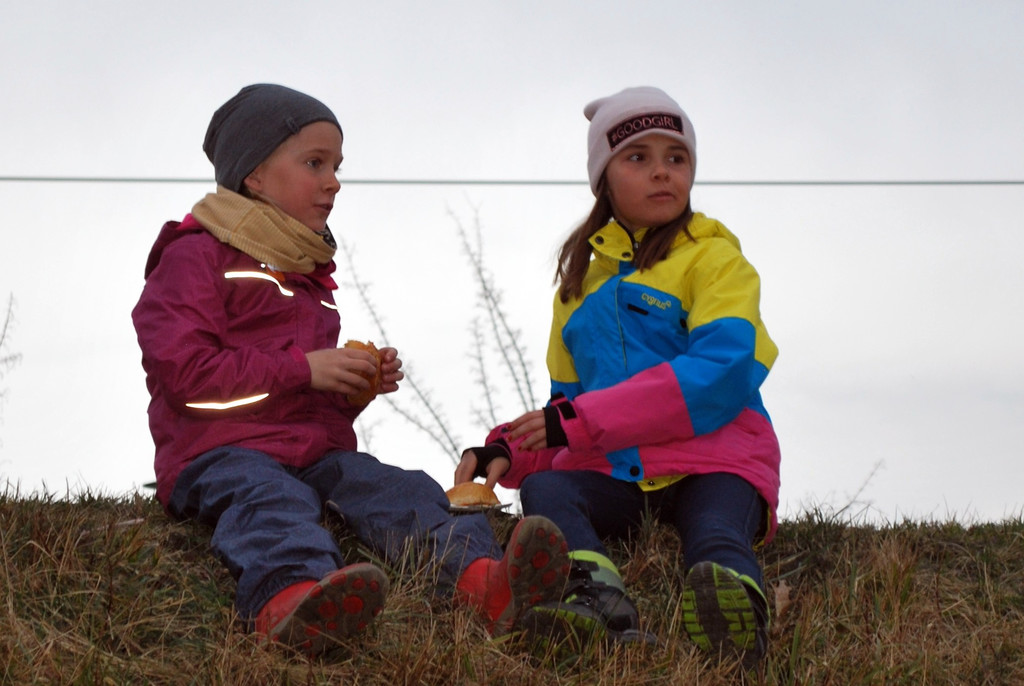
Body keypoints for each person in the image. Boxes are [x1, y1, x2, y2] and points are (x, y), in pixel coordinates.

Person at [132, 84, 570, 657]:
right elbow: (185, 377)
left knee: (396, 489)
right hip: (219, 454)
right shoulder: (195, 254)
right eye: (314, 163)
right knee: (269, 502)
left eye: (337, 166)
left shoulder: (307, 275)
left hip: (311, 454)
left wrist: (350, 390)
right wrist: (305, 370)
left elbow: (299, 396)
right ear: (254, 175)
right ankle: (290, 601)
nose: (333, 181)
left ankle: (483, 583)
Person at [455, 86, 780, 666]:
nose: (662, 171)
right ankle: (595, 596)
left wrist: (581, 421)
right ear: (603, 178)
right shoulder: (576, 291)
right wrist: (506, 446)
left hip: (715, 459)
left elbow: (724, 369)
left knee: (714, 530)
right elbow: (566, 409)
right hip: (620, 474)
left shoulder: (716, 261)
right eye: (638, 157)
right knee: (547, 490)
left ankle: (732, 612)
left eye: (676, 157)